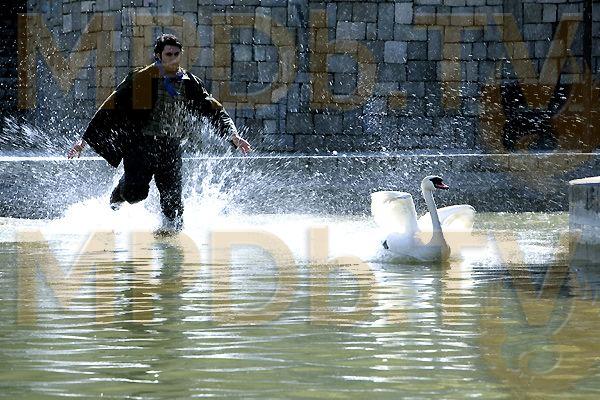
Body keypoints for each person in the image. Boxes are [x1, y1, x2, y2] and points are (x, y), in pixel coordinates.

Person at [67, 34, 251, 231]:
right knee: (134, 194)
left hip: (170, 146)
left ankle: (171, 240)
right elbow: (110, 107)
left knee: (173, 206)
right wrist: (83, 141)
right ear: (158, 55)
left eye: (176, 54)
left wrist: (233, 135)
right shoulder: (142, 77)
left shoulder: (189, 81)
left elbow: (213, 109)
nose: (173, 58)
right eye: (168, 54)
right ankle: (121, 190)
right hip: (141, 146)